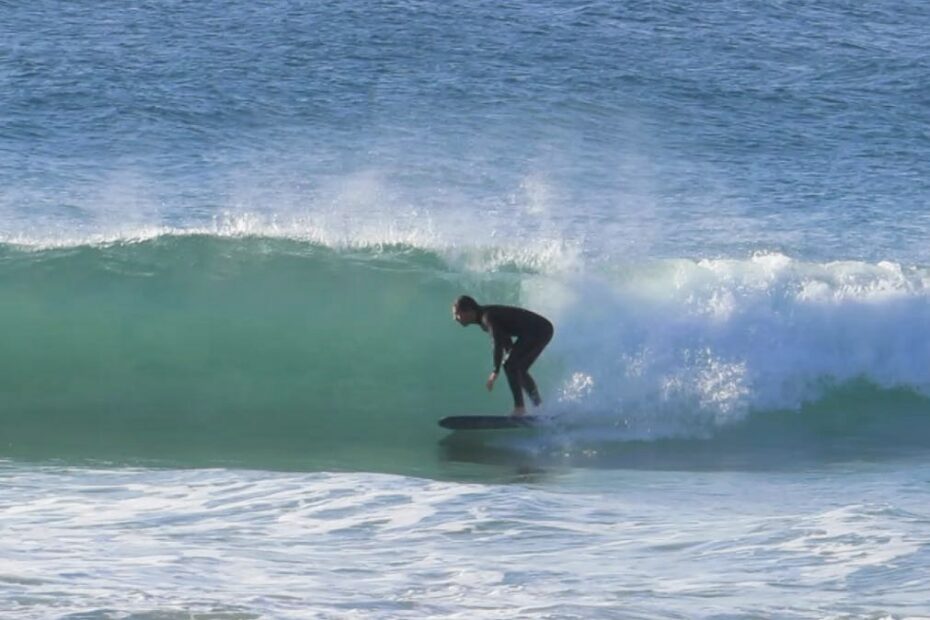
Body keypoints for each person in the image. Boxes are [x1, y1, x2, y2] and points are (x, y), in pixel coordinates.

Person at [452, 295, 554, 416]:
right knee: (517, 368)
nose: (455, 318)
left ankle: (519, 408)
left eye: (457, 314)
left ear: (469, 311)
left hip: (539, 330)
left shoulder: (487, 317)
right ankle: (539, 407)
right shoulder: (486, 318)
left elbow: (497, 341)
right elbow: (505, 340)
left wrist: (496, 370)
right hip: (541, 329)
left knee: (510, 365)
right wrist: (509, 359)